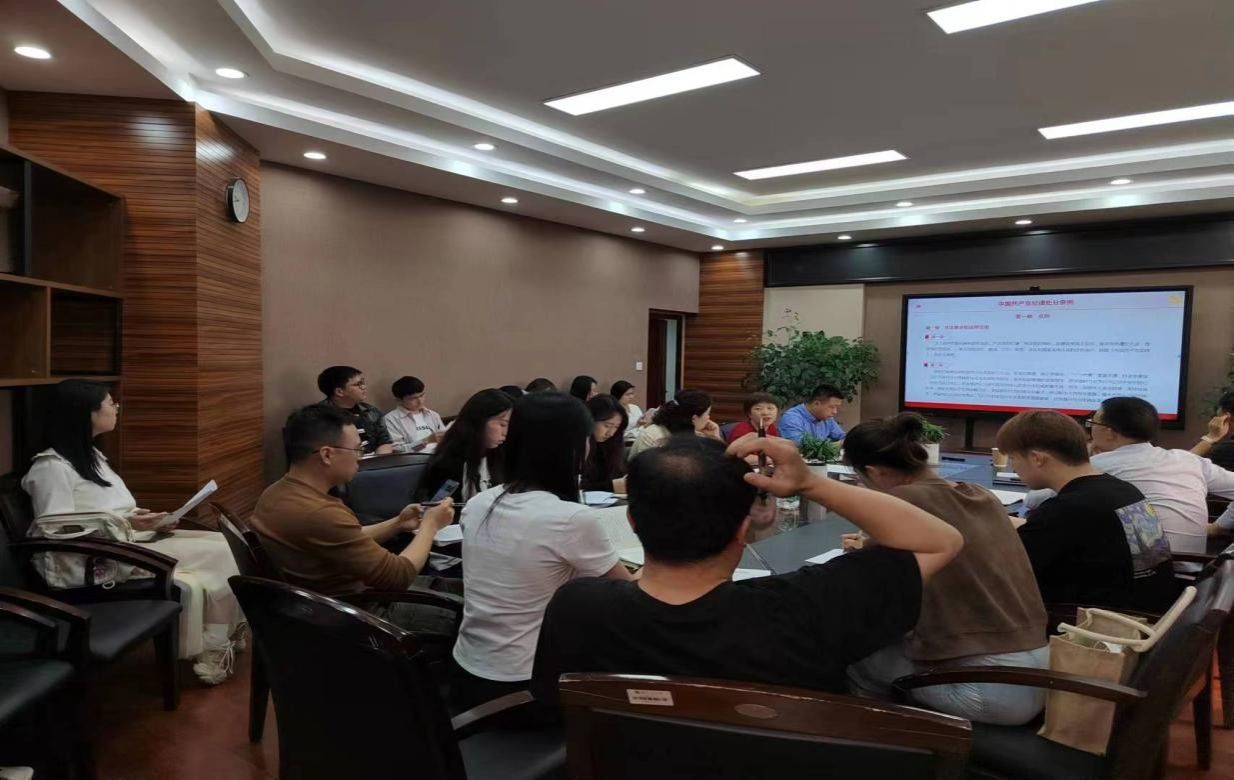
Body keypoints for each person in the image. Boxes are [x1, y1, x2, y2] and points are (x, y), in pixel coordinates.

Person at [531, 435, 963, 707]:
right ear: (743, 528)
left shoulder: (578, 607)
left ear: (632, 521)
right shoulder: (808, 606)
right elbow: (941, 540)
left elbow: (553, 708)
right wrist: (811, 482)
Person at [21, 380, 243, 685]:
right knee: (219, 553)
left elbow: (108, 511)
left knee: (225, 542)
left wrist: (144, 519)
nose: (116, 408)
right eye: (110, 403)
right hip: (100, 558)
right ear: (86, 413)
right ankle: (214, 646)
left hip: (128, 542)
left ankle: (226, 632)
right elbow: (54, 527)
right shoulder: (51, 468)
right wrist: (125, 523)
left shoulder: (92, 458)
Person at [841, 414, 1048, 725]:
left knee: (854, 659)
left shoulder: (903, 502)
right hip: (1040, 673)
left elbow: (872, 591)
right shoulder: (980, 494)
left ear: (874, 472)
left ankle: (885, 741)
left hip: (988, 690)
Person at [453, 392, 633, 708]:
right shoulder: (570, 518)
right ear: (573, 447)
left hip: (467, 672)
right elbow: (628, 593)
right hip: (526, 688)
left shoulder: (479, 503)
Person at [250, 405, 455, 631]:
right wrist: (430, 525)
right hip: (360, 615)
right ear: (327, 454)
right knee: (472, 612)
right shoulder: (319, 513)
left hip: (318, 607)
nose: (360, 458)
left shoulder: (276, 493)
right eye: (357, 450)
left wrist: (398, 523)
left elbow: (346, 538)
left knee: (461, 589)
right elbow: (398, 576)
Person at [997, 410, 1180, 613]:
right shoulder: (1121, 489)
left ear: (1037, 458)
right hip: (1152, 611)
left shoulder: (1065, 509)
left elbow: (1010, 571)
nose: (1014, 468)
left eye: (1013, 458)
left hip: (1094, 622)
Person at [1024, 397, 1234, 553]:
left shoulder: (1101, 464)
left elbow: (1033, 501)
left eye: (1092, 424)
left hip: (1147, 575)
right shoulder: (1187, 459)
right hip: (1195, 574)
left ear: (1109, 432)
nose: (1089, 429)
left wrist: (1083, 456)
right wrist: (1218, 527)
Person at [416, 389, 513, 502]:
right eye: (503, 424)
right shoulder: (448, 463)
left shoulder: (501, 453)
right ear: (479, 422)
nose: (506, 433)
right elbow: (437, 505)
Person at [315, 365, 393, 455]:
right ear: (339, 392)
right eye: (357, 385)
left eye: (363, 382)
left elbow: (385, 442)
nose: (363, 387)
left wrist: (379, 459)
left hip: (375, 460)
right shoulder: (318, 415)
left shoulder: (370, 411)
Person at [629, 389, 724, 458]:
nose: (708, 418)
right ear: (694, 418)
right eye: (707, 413)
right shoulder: (653, 435)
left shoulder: (696, 434)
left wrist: (715, 438)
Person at [382, 376, 445, 453]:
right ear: (399, 400)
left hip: (439, 455)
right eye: (413, 398)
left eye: (421, 395)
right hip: (415, 459)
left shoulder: (433, 415)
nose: (420, 401)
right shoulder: (391, 419)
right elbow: (399, 451)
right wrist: (427, 441)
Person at [581, 394, 628, 493]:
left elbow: (619, 474)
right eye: (607, 426)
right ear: (591, 420)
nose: (611, 433)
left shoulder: (614, 442)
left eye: (616, 427)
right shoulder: (579, 444)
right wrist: (611, 486)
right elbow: (577, 485)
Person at [778, 384, 846, 446]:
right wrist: (837, 445)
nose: (835, 412)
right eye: (832, 407)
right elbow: (802, 447)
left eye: (836, 408)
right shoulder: (791, 418)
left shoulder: (827, 419)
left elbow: (843, 437)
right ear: (817, 403)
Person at [1191, 388, 1234, 471]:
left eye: (1217, 416)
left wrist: (1211, 437)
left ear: (1226, 417)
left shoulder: (1226, 452)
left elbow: (1181, 467)